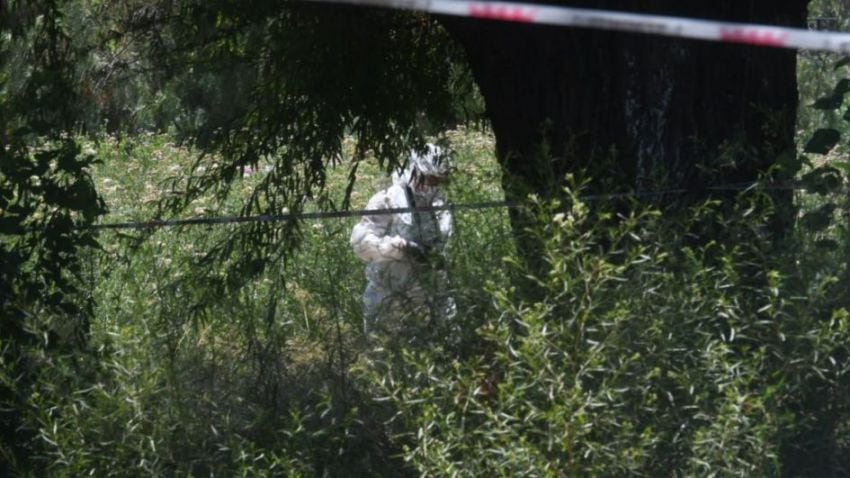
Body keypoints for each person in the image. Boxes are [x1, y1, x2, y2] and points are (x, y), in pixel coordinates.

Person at [350, 143, 455, 336]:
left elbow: (445, 244)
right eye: (429, 179)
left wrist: (436, 256)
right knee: (385, 354)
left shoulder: (439, 205)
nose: (432, 185)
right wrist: (402, 247)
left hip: (429, 293)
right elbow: (361, 244)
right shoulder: (387, 199)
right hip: (388, 295)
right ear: (415, 171)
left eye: (437, 180)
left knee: (438, 349)